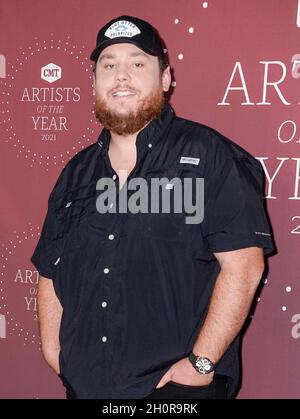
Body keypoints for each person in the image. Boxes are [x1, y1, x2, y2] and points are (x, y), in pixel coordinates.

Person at [31, 15, 274, 399]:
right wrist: (54, 351)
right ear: (94, 82)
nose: (121, 76)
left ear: (164, 78)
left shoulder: (209, 156)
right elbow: (49, 270)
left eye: (137, 63)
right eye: (109, 65)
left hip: (176, 391)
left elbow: (244, 267)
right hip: (87, 385)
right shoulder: (76, 174)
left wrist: (202, 363)